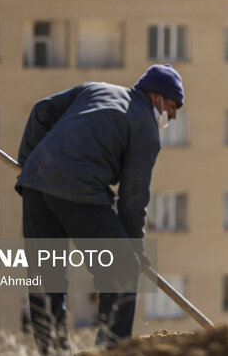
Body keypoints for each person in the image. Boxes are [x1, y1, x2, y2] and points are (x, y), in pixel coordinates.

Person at [15, 64, 184, 353]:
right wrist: (134, 246)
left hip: (35, 184)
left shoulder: (95, 89)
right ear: (155, 97)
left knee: (47, 277)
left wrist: (27, 163)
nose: (173, 115)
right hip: (80, 189)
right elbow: (133, 197)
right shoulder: (145, 127)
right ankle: (110, 351)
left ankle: (53, 352)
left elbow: (41, 110)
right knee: (121, 272)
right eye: (172, 106)